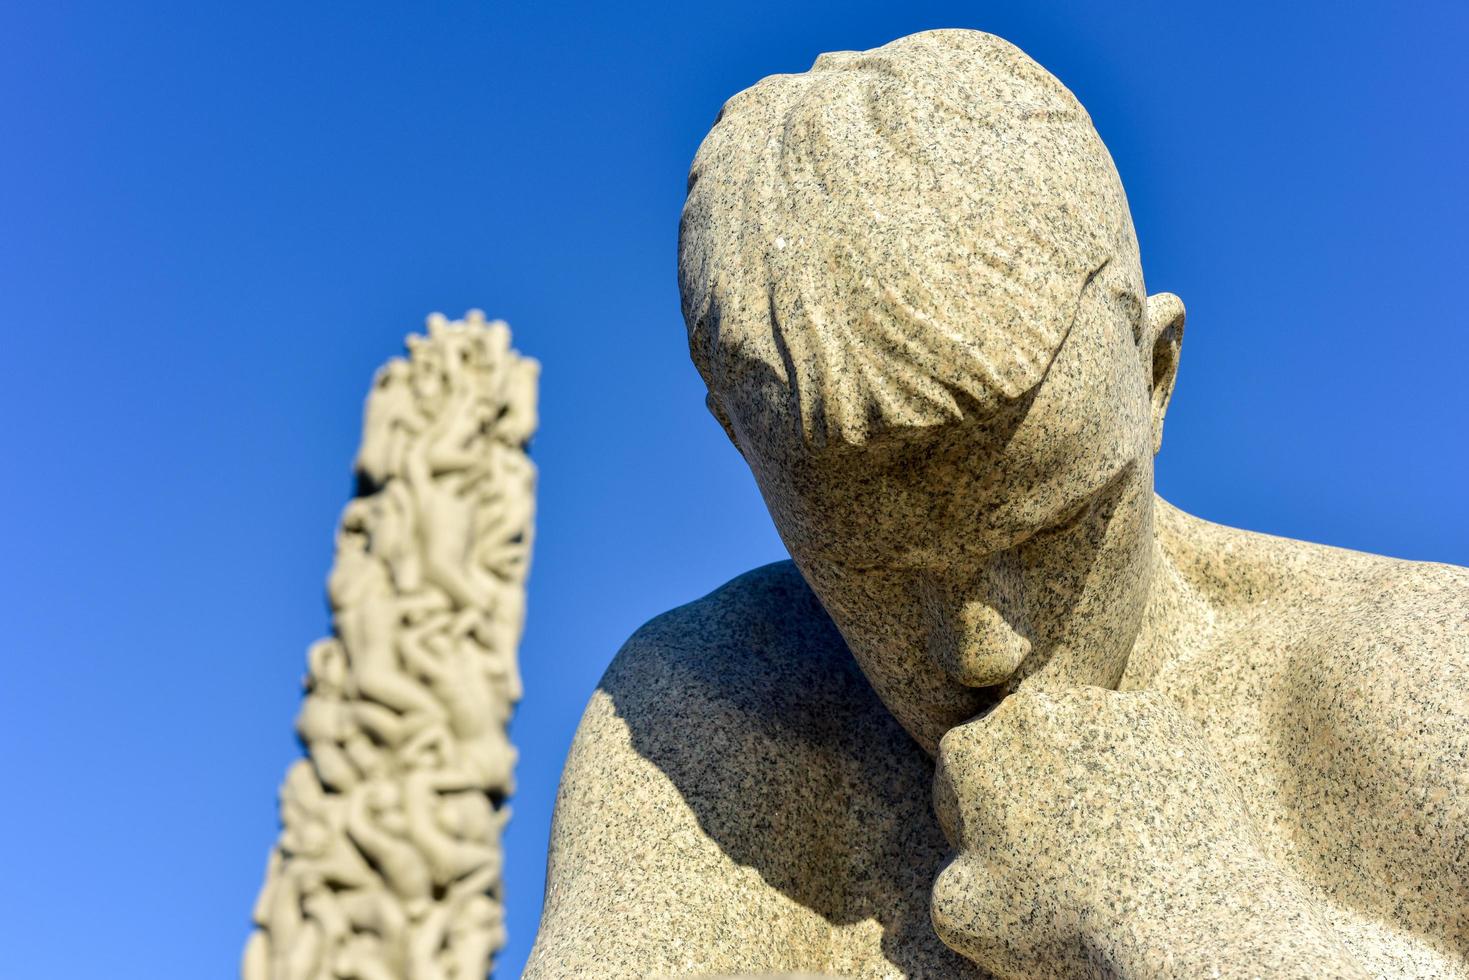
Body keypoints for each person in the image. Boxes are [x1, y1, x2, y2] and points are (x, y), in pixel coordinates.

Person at [526, 29, 1468, 979]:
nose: (979, 650)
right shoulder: (707, 721)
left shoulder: (1414, 679)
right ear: (742, 447)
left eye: (1047, 528)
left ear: (1154, 375)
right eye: (868, 567)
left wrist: (1189, 920)